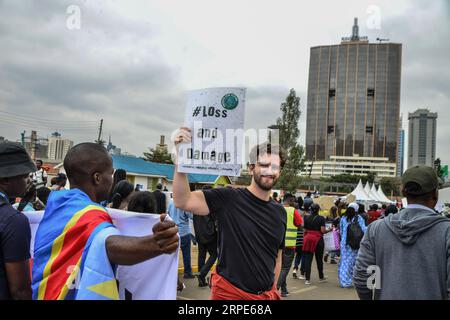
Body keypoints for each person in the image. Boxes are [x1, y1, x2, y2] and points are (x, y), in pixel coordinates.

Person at [31, 143, 179, 300]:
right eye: (111, 174)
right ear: (97, 178)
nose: (112, 180)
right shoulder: (89, 214)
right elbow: (107, 244)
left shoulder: (58, 204)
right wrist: (156, 243)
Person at [173, 128, 286, 300]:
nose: (269, 171)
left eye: (275, 166)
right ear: (251, 168)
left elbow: (276, 257)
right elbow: (183, 201)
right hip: (229, 295)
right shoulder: (229, 197)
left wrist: (275, 288)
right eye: (263, 165)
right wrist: (181, 159)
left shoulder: (280, 212)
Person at [354, 166, 450, 300]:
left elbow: (362, 276)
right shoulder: (446, 231)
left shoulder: (376, 229)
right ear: (435, 193)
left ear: (403, 192)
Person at [0, 142, 36, 300]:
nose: (28, 180)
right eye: (25, 175)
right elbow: (20, 291)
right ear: (5, 180)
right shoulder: (13, 221)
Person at [277, 193, 303, 297]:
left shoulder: (277, 208)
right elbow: (299, 224)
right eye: (294, 200)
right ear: (291, 200)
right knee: (285, 268)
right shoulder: (293, 211)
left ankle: (284, 290)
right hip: (289, 245)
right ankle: (276, 289)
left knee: (280, 267)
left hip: (277, 244)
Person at [193, 186, 218, 287]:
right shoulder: (210, 203)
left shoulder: (196, 204)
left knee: (201, 256)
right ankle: (202, 274)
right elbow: (215, 219)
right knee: (214, 254)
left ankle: (201, 280)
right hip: (210, 234)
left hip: (199, 234)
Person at [338, 202, 367, 288]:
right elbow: (364, 230)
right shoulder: (358, 218)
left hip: (344, 243)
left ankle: (343, 280)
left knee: (344, 261)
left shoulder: (343, 218)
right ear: (356, 209)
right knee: (353, 262)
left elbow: (341, 230)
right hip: (354, 243)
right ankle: (349, 280)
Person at [302, 203, 332, 285]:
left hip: (308, 239)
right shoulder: (321, 218)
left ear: (311, 209)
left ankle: (307, 279)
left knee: (308, 259)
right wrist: (330, 230)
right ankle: (321, 277)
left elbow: (304, 231)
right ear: (318, 210)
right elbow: (322, 231)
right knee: (319, 259)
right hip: (318, 240)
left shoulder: (306, 218)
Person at [168, 198, 194, 279]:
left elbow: (168, 213)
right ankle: (187, 273)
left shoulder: (171, 201)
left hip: (173, 231)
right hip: (184, 232)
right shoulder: (184, 202)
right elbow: (191, 216)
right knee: (186, 254)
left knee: (173, 255)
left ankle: (172, 274)